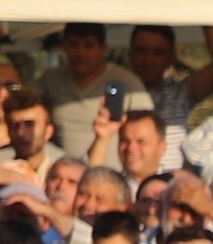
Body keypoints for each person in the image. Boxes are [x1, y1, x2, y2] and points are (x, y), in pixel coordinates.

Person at [36, 23, 150, 167]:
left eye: (89, 45)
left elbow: (148, 131)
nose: (81, 53)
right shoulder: (50, 80)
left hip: (110, 177)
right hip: (64, 178)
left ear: (102, 49)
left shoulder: (127, 82)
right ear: (63, 46)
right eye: (74, 44)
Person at [127, 25, 213, 171]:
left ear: (171, 57)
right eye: (141, 51)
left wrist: (205, 14)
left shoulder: (181, 92)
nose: (148, 60)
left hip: (169, 188)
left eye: (157, 53)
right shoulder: (114, 93)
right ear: (130, 54)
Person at [90, 111, 167, 196]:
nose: (131, 148)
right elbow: (93, 183)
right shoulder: (112, 189)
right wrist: (102, 139)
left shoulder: (173, 187)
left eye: (141, 142)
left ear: (162, 148)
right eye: (125, 141)